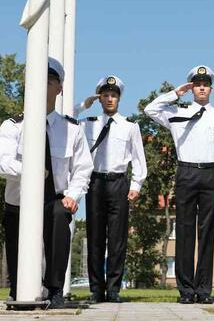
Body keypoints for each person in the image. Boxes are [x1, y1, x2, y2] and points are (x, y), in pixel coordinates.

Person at [0, 57, 93, 307]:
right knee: (16, 243)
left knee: (60, 218)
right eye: (38, 79)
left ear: (60, 88)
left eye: (50, 81)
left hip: (55, 198)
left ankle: (55, 289)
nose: (43, 85)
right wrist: (31, 171)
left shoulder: (72, 129)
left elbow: (83, 168)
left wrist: (73, 195)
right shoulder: (13, 126)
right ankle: (17, 288)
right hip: (20, 200)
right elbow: (2, 163)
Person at [144, 65, 214, 305]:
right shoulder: (177, 112)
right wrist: (176, 93)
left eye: (205, 85)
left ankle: (203, 290)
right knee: (184, 232)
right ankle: (185, 290)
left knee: (207, 233)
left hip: (211, 174)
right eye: (197, 84)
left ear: (211, 89)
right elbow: (150, 109)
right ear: (192, 88)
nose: (201, 88)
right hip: (186, 173)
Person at [74, 75, 147, 303]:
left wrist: (136, 185)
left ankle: (114, 289)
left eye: (113, 95)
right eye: (105, 95)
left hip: (118, 183)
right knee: (95, 237)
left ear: (119, 98)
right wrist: (84, 105)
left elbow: (139, 159)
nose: (109, 99)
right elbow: (65, 118)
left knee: (117, 239)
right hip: (95, 182)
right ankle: (96, 289)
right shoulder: (88, 123)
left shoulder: (130, 126)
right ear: (99, 98)